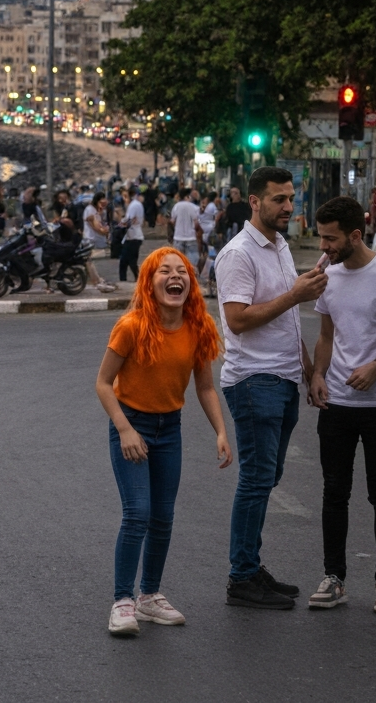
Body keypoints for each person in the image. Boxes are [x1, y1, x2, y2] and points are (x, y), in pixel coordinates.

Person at [96, 247, 232, 636]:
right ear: (149, 283)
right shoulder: (132, 326)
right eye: (164, 272)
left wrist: (221, 431)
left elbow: (205, 386)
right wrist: (125, 429)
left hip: (169, 430)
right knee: (137, 513)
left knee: (163, 517)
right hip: (132, 423)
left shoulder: (197, 327)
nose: (175, 277)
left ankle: (149, 596)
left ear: (190, 282)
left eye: (182, 271)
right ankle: (123, 601)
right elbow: (104, 384)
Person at [214, 166, 327, 609]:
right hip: (253, 379)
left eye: (291, 197)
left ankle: (250, 566)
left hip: (282, 378)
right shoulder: (238, 254)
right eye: (279, 199)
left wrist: (308, 369)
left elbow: (286, 318)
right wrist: (296, 295)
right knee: (257, 479)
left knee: (267, 477)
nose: (288, 206)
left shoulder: (279, 245)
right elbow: (238, 321)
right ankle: (241, 576)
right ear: (255, 202)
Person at [306, 196, 376, 613]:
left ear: (355, 235)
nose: (324, 248)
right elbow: (327, 335)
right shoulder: (327, 276)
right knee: (334, 491)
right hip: (338, 405)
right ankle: (334, 577)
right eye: (321, 239)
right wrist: (316, 374)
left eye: (331, 240)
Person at [82, 192, 116, 293]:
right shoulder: (90, 210)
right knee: (89, 261)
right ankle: (96, 281)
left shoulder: (96, 211)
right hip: (89, 239)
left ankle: (95, 280)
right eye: (102, 202)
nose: (104, 204)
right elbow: (96, 227)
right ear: (97, 201)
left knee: (88, 261)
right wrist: (104, 231)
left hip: (93, 239)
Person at [119, 186, 145, 283]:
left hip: (134, 236)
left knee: (130, 260)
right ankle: (127, 280)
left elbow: (128, 220)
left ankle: (138, 279)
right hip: (132, 236)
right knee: (126, 261)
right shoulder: (135, 205)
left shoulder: (134, 205)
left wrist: (120, 222)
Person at [170, 188, 200, 262]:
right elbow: (196, 221)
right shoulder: (193, 207)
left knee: (178, 260)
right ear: (187, 196)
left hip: (178, 237)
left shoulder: (176, 206)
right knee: (192, 261)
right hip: (191, 237)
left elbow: (172, 221)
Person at [197, 192, 218, 275]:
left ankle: (202, 271)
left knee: (205, 251)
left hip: (202, 230)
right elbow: (216, 217)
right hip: (210, 230)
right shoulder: (212, 206)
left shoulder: (205, 206)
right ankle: (209, 272)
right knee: (211, 252)